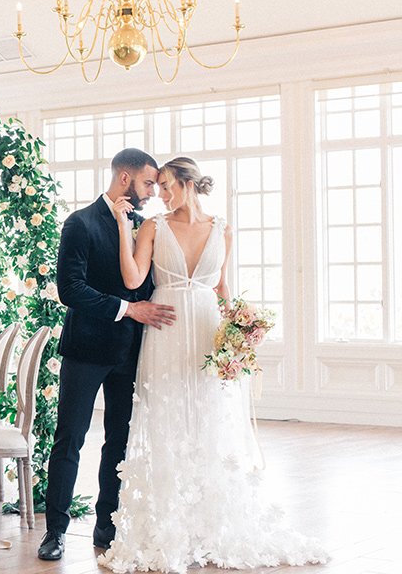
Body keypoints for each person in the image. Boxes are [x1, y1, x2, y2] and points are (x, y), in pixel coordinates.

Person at [98, 157, 328, 573]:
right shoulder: (152, 226)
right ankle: (171, 526)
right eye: (159, 187)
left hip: (207, 328)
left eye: (167, 186)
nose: (161, 195)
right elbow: (133, 281)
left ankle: (208, 524)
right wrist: (121, 227)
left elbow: (221, 286)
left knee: (207, 419)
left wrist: (240, 329)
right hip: (166, 329)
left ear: (188, 183)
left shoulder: (222, 228)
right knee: (168, 418)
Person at [38, 148, 176, 561]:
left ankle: (106, 527)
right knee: (70, 440)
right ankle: (55, 532)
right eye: (149, 182)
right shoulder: (79, 223)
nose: (154, 191)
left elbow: (150, 285)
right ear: (124, 180)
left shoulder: (143, 226)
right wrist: (127, 308)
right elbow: (71, 289)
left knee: (119, 441)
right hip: (86, 350)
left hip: (133, 352)